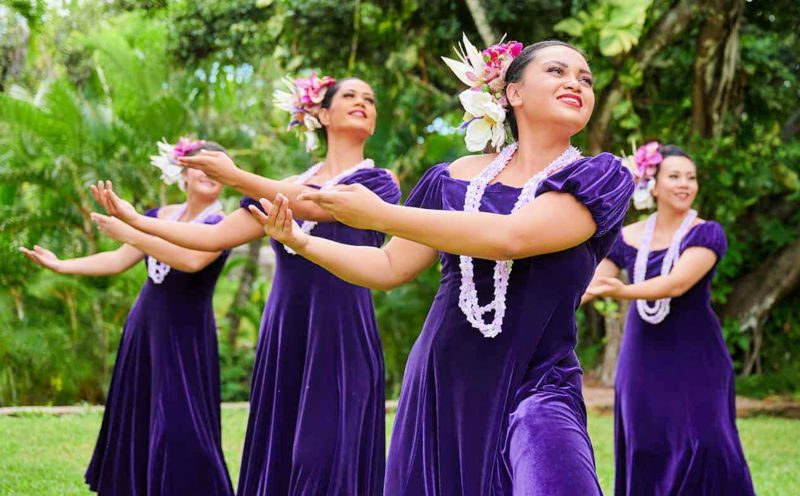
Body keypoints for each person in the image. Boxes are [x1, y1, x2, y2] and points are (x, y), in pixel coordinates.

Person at [247, 37, 633, 495]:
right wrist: (301, 243)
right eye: (556, 71)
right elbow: (388, 264)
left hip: (539, 383)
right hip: (440, 384)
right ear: (513, 92)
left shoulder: (602, 177)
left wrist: (381, 214)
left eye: (584, 78)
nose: (576, 83)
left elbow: (514, 238)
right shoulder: (452, 178)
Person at [96, 74, 401, 495]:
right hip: (286, 332)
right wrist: (135, 220)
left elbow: (317, 203)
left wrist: (237, 176)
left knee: (321, 453)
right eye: (350, 95)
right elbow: (211, 237)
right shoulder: (286, 186)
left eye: (370, 98)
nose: (363, 102)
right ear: (322, 114)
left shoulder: (379, 183)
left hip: (340, 333)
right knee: (281, 453)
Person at [21, 138, 234, 495]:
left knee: (182, 424)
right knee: (141, 416)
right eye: (201, 164)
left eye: (218, 167)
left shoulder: (222, 225)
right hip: (145, 329)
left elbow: (191, 259)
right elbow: (117, 260)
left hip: (186, 336)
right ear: (183, 171)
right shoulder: (159, 217)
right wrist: (62, 265)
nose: (209, 173)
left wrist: (134, 231)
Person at [583, 142, 755, 495]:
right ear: (653, 184)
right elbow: (592, 282)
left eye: (691, 178)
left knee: (707, 441)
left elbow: (676, 284)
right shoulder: (626, 236)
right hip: (642, 354)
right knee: (646, 442)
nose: (684, 184)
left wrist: (621, 291)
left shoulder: (706, 233)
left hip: (696, 352)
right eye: (674, 176)